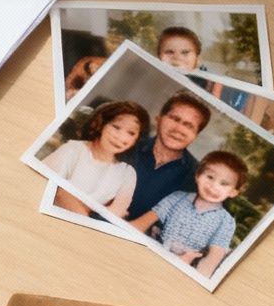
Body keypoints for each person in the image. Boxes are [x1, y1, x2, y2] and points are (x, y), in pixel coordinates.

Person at [55, 91, 210, 223]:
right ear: (159, 118)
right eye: (175, 119)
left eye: (189, 125)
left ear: (196, 134)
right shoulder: (122, 146)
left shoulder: (197, 179)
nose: (178, 129)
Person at [132, 150, 246, 277]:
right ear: (198, 176)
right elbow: (141, 223)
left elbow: (212, 259)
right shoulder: (177, 197)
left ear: (233, 192)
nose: (214, 186)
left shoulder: (226, 221)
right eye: (210, 177)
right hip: (153, 254)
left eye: (224, 184)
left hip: (182, 271)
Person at [43, 100, 150, 218]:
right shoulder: (73, 150)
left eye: (131, 133)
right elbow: (57, 192)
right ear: (101, 124)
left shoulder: (127, 173)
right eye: (116, 127)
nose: (121, 137)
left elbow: (116, 213)